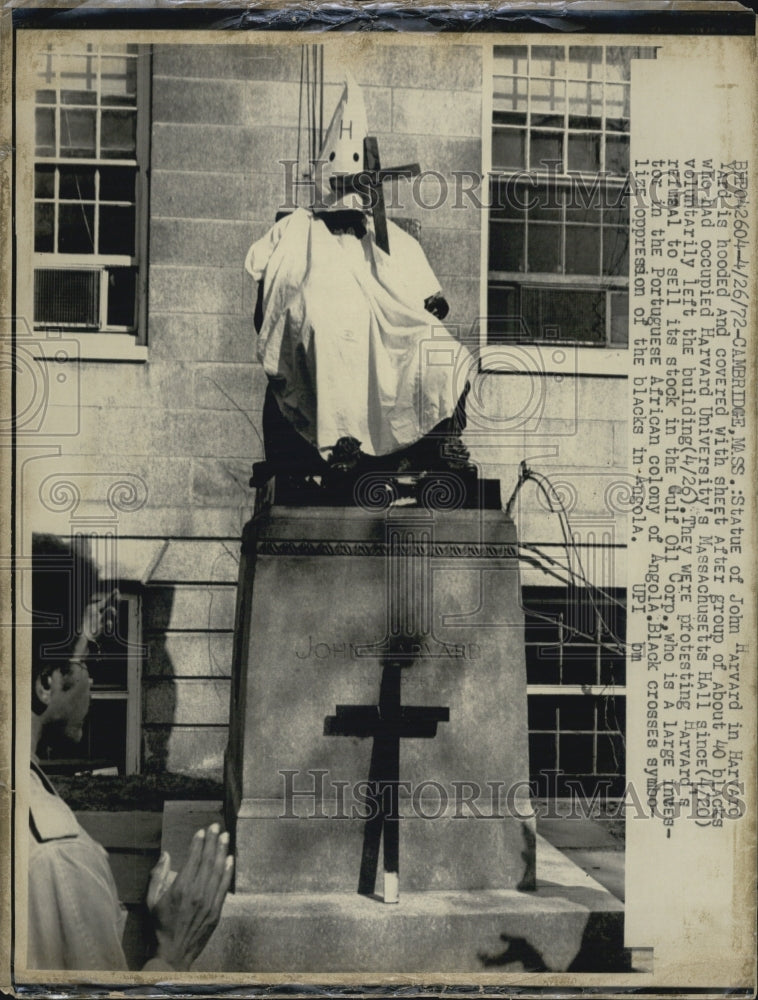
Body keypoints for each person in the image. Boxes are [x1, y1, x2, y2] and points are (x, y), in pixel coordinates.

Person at [246, 74, 473, 486]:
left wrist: (429, 301)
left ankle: (439, 442)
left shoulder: (384, 233)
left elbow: (426, 295)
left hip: (388, 331)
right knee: (330, 336)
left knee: (442, 351)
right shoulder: (297, 229)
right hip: (328, 332)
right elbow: (268, 292)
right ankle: (340, 444)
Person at [28, 534, 233, 972]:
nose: (93, 681)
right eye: (89, 658)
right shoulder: (57, 859)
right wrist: (171, 952)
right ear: (47, 682)